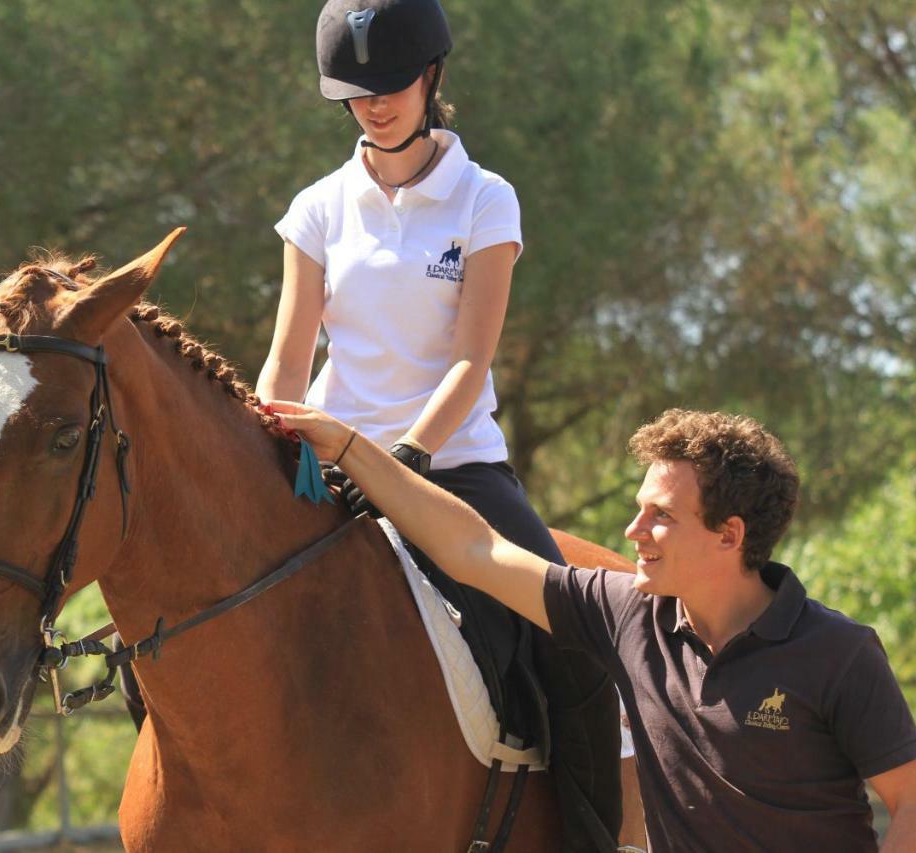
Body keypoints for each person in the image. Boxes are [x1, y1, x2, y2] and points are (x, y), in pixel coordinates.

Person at [256, 1, 621, 846]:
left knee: (572, 632)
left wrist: (408, 456)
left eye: (389, 84)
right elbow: (288, 353)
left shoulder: (485, 200)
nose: (374, 104)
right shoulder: (316, 207)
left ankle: (593, 835)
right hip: (328, 468)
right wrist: (274, 434)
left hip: (453, 465)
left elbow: (471, 357)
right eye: (355, 90)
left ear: (432, 77)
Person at [269, 401, 916, 852]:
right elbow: (475, 549)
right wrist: (354, 448)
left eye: (661, 515)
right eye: (637, 507)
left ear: (729, 535)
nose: (633, 531)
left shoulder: (837, 652)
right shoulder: (625, 611)